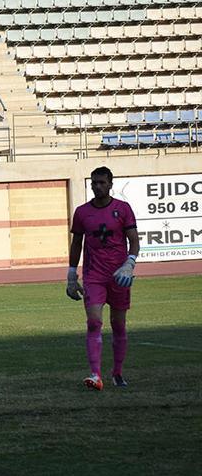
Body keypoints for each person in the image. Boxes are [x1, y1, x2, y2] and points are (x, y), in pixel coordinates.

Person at [67, 166, 139, 391]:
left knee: (118, 324)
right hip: (93, 275)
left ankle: (117, 372)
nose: (97, 186)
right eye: (94, 182)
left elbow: (134, 241)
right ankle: (95, 374)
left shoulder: (123, 209)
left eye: (102, 182)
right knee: (94, 322)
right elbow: (77, 243)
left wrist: (130, 263)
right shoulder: (82, 212)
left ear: (110, 184)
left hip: (119, 276)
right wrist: (71, 274)